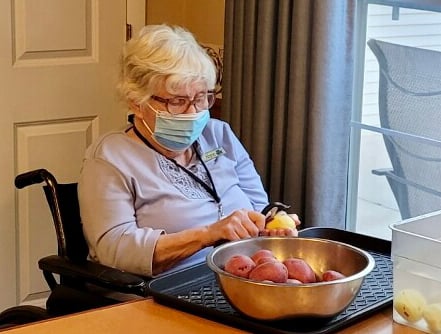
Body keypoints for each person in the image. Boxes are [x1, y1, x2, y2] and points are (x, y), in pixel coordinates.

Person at [77, 24, 299, 278]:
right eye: (178, 101)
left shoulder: (219, 135)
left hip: (241, 278)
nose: (193, 113)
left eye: (201, 98)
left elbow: (260, 209)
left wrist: (274, 224)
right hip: (161, 292)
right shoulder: (109, 159)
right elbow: (114, 250)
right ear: (137, 102)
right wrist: (208, 234)